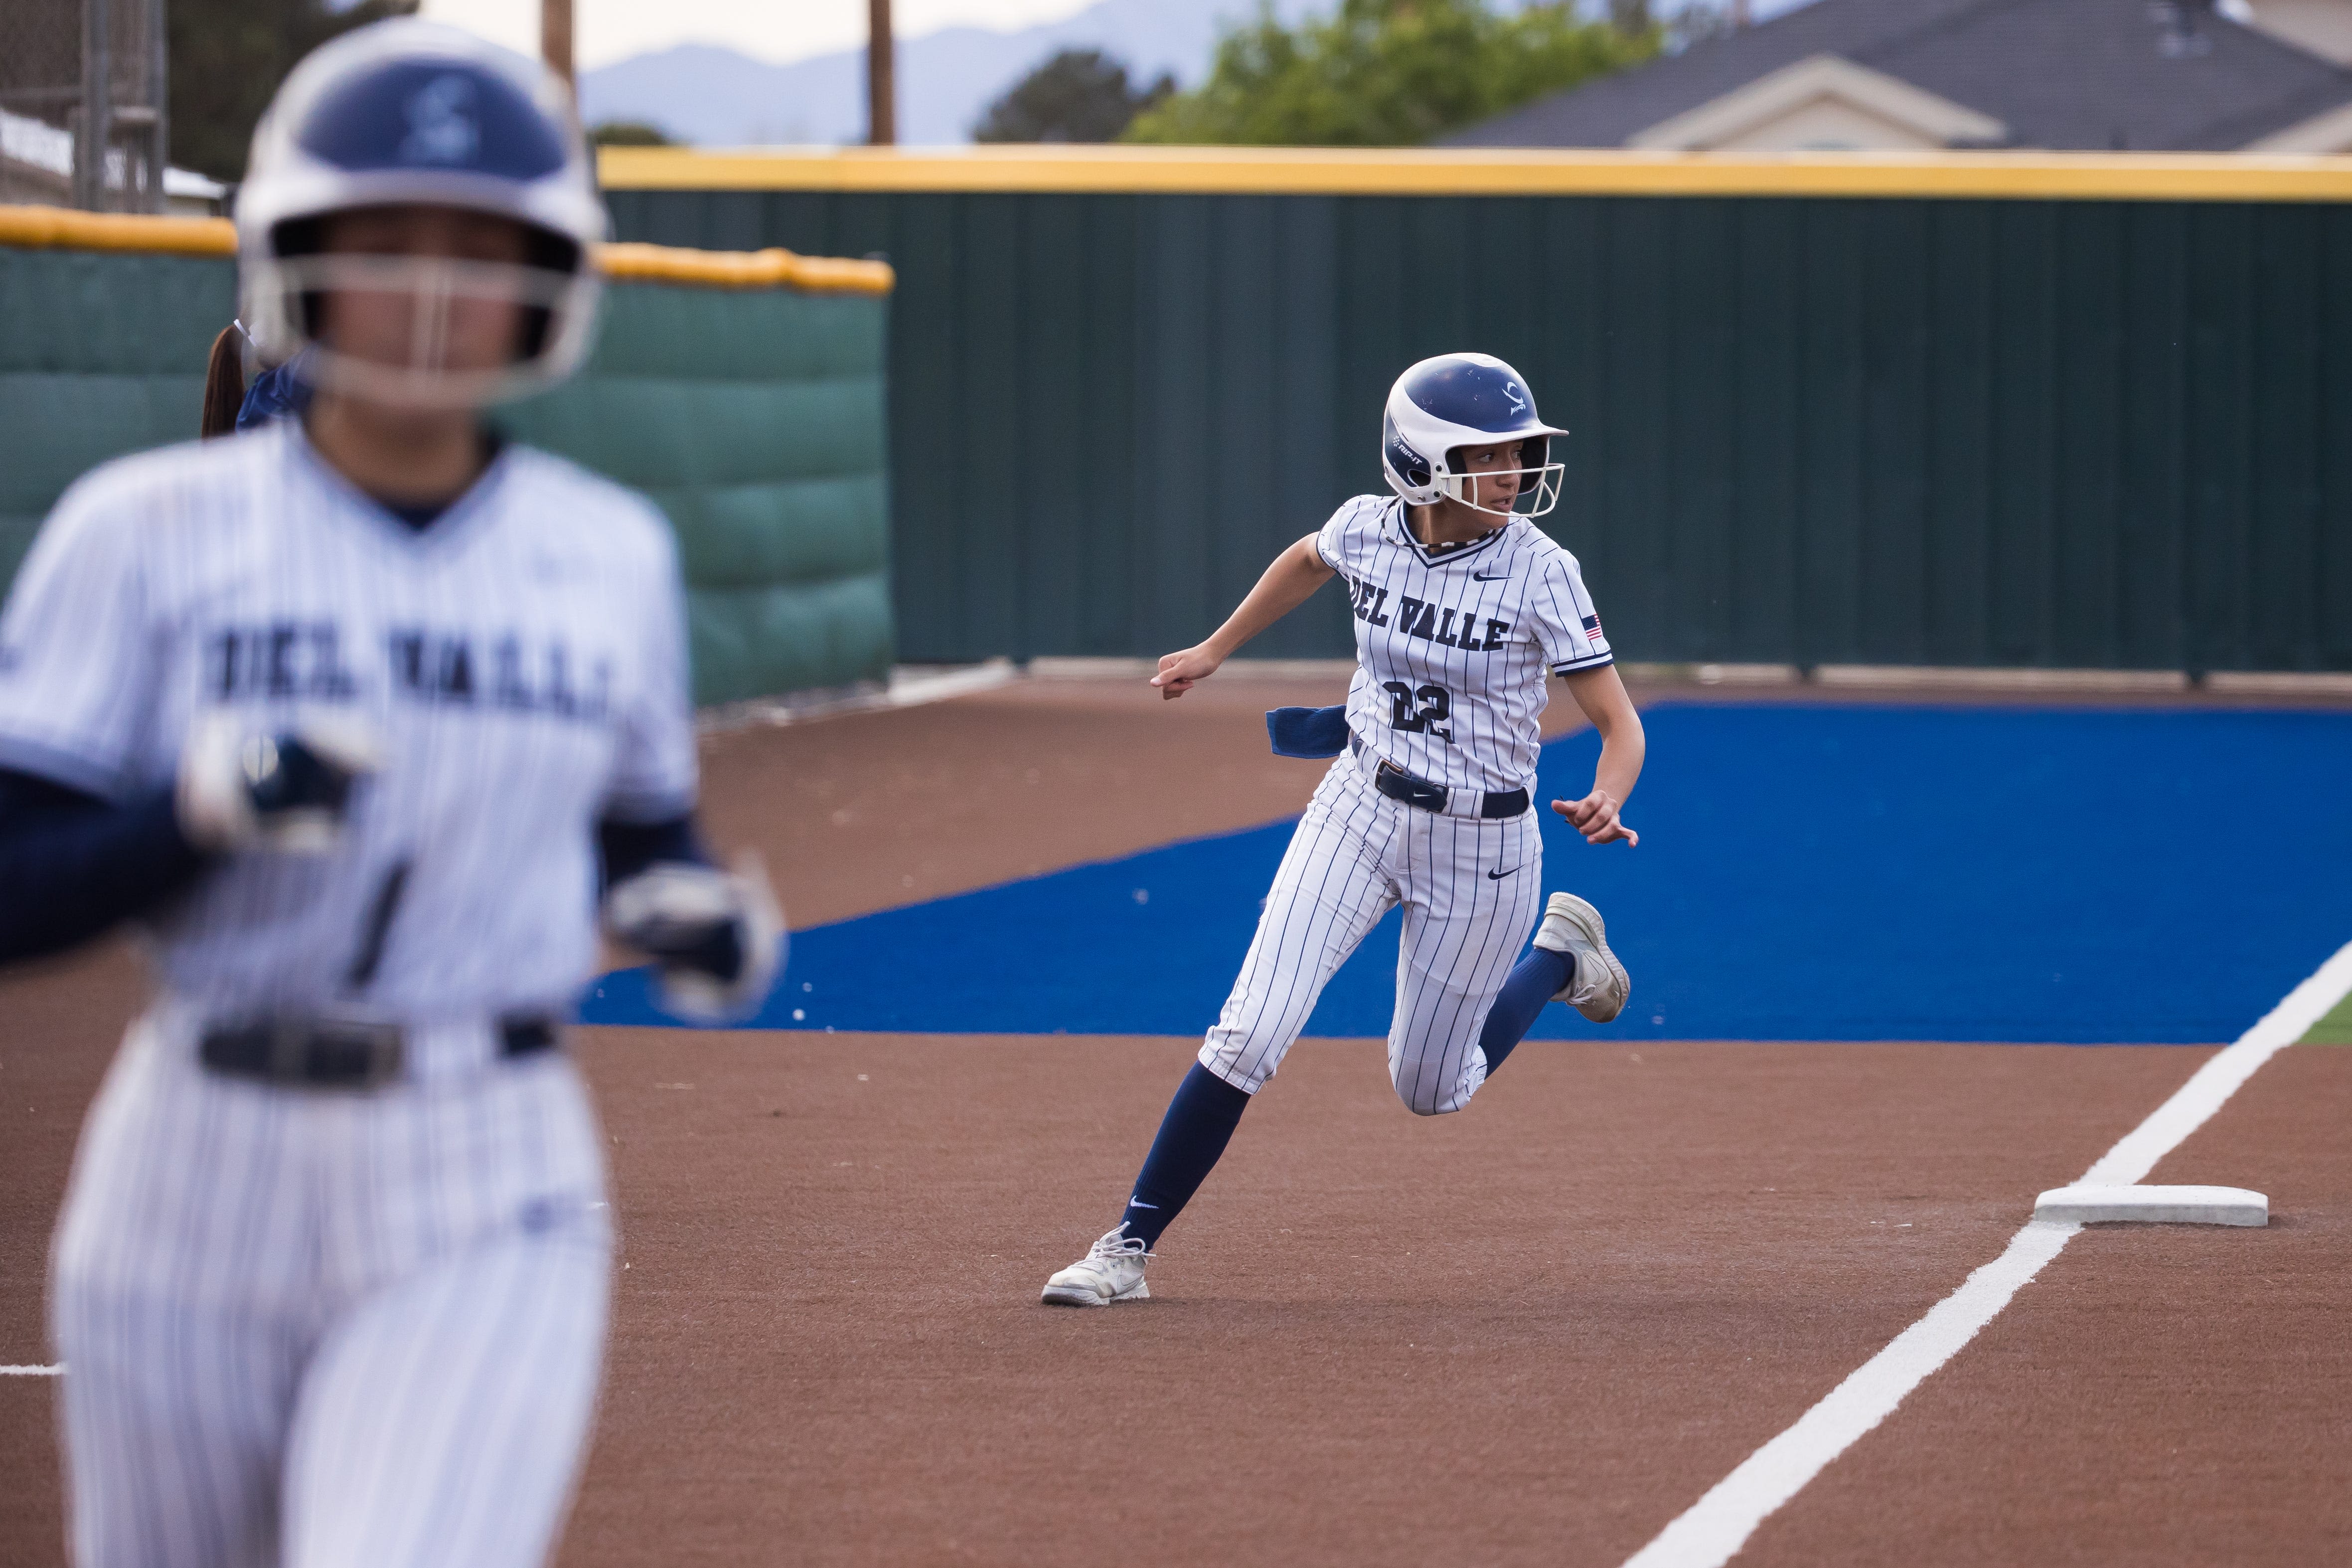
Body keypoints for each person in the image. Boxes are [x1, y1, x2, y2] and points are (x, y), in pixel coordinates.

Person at [0, 20, 781, 1565]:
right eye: (386, 242)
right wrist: (197, 810)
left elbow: (645, 838)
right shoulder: (141, 533)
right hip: (194, 1158)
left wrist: (689, 909)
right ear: (296, 256)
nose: (434, 291)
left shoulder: (603, 554)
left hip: (481, 1153)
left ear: (550, 278)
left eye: (481, 249)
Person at [1041, 352, 1645, 1307]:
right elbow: (1307, 558)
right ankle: (1127, 1246)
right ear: (1422, 462)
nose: (1520, 472)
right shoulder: (1370, 526)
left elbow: (1621, 723)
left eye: (1523, 452)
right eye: (1494, 455)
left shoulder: (1542, 569)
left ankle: (1562, 960)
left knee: (1431, 1088)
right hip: (1359, 806)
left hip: (1483, 848)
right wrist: (1213, 649)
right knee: (1249, 1032)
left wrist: (1610, 794)